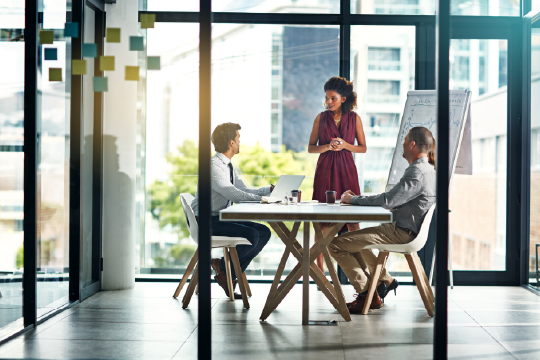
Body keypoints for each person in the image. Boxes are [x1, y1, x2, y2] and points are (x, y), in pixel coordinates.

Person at [329, 126, 436, 314]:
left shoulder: (416, 172)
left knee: (335, 244)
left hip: (401, 233)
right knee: (354, 239)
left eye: (404, 142)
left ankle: (365, 294)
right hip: (407, 231)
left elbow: (387, 201)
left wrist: (352, 199)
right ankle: (384, 281)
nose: (401, 146)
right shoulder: (429, 170)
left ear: (412, 145)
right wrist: (359, 199)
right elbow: (394, 199)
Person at [191, 122, 274, 299]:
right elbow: (234, 195)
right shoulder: (213, 166)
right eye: (238, 138)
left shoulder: (227, 165)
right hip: (206, 222)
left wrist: (269, 190)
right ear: (231, 143)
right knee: (252, 236)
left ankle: (224, 271)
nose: (239, 142)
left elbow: (244, 190)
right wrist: (264, 200)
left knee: (264, 232)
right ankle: (223, 269)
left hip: (220, 218)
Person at [308, 76, 367, 272]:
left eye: (333, 98)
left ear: (343, 98)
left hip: (347, 170)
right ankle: (320, 273)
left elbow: (362, 148)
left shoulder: (354, 118)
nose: (328, 102)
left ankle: (362, 268)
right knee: (321, 223)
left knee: (352, 223)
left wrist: (345, 145)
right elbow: (311, 148)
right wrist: (327, 146)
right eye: (327, 98)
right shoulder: (320, 118)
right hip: (325, 169)